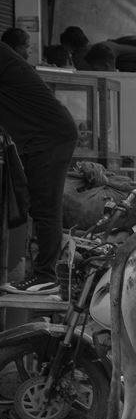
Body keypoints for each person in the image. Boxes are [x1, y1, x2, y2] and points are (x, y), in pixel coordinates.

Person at [0, 42, 78, 294]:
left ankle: (46, 275)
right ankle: (44, 272)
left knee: (45, 206)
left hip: (50, 138)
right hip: (43, 137)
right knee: (40, 205)